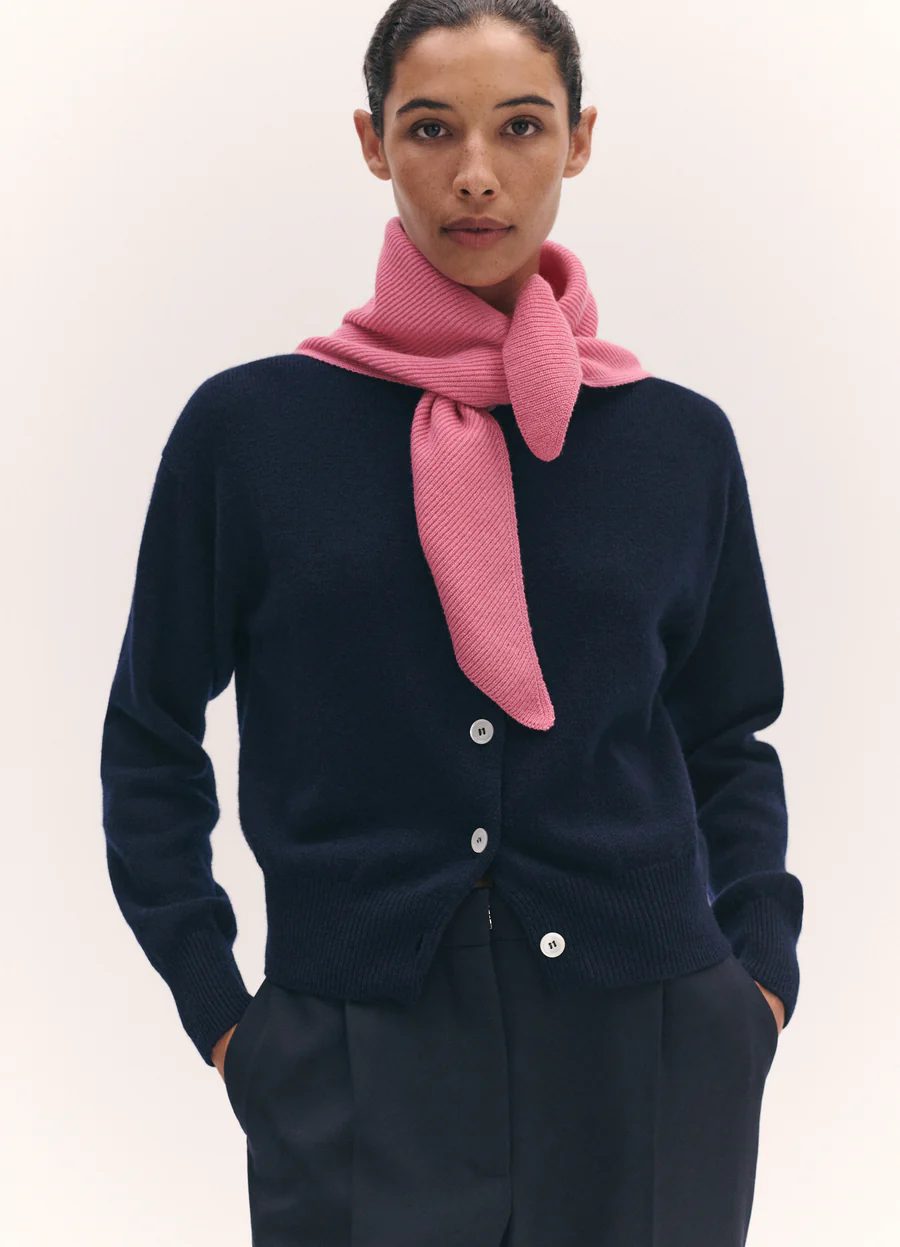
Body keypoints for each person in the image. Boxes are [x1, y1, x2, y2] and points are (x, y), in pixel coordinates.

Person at [99, 2, 803, 1244]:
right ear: (372, 141)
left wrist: (755, 986)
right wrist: (226, 1017)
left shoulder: (676, 440)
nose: (477, 172)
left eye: (520, 126)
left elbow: (728, 734)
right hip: (353, 1048)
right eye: (431, 128)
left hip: (651, 1044)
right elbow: (151, 737)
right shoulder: (251, 434)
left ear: (579, 138)